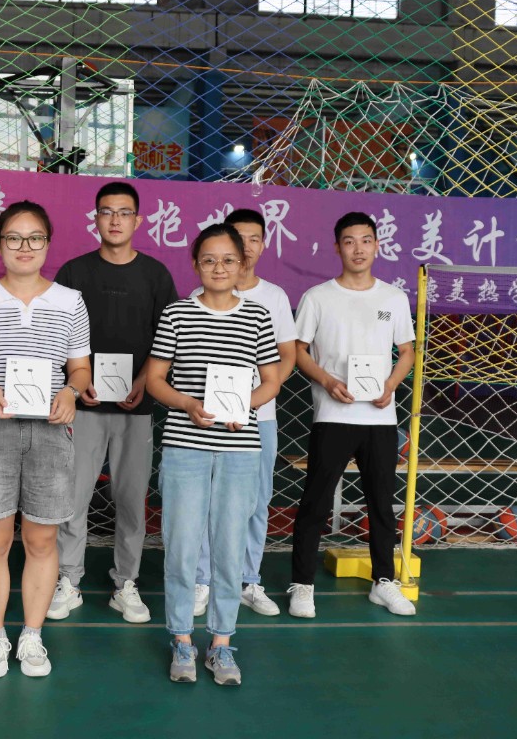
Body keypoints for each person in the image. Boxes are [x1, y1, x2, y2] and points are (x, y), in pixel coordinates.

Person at [0, 201, 91, 679]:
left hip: (50, 428)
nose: (24, 247)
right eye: (13, 237)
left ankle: (31, 635)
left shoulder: (70, 301)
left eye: (34, 238)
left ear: (48, 243)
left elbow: (80, 368)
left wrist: (71, 392)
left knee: (42, 538)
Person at [146, 223, 281, 686]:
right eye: (209, 260)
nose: (219, 268)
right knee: (182, 546)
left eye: (228, 260)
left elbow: (272, 380)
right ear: (195, 264)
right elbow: (155, 379)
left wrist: (246, 406)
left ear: (242, 264)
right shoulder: (177, 314)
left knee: (228, 548)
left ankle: (221, 643)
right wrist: (187, 404)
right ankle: (182, 639)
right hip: (185, 447)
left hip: (240, 450)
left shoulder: (257, 316)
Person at [48, 181, 176, 624]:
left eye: (124, 212)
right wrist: (76, 380)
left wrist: (142, 382)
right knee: (73, 496)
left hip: (135, 407)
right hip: (82, 406)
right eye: (106, 211)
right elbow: (60, 334)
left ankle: (126, 582)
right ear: (96, 219)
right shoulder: (74, 272)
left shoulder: (156, 275)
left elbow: (168, 340)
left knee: (131, 499)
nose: (115, 220)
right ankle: (69, 579)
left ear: (138, 220)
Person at [287, 211, 416, 619]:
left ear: (377, 246)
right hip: (333, 415)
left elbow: (407, 351)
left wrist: (390, 384)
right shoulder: (318, 297)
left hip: (380, 418)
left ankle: (384, 581)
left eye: (365, 240)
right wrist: (327, 381)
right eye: (349, 241)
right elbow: (297, 351)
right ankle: (302, 584)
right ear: (337, 247)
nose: (358, 249)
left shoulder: (393, 298)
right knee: (315, 502)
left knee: (382, 505)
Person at [192, 209, 297, 619]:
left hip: (260, 419)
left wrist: (251, 400)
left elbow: (287, 356)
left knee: (255, 501)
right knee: (206, 502)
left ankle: (248, 579)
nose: (246, 246)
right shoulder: (198, 297)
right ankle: (203, 579)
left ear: (263, 245)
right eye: (239, 238)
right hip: (205, 419)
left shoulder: (274, 297)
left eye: (254, 238)